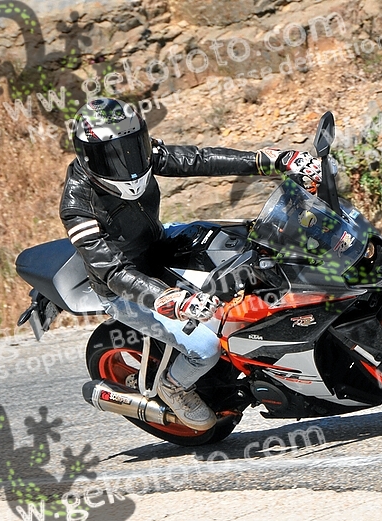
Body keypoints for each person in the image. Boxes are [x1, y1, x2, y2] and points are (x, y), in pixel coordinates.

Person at [59, 98, 321, 431]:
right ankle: (174, 387)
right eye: (113, 155)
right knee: (206, 348)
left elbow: (200, 159)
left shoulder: (142, 157)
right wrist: (166, 298)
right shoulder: (77, 206)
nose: (127, 160)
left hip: (160, 244)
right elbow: (112, 271)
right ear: (88, 157)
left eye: (132, 147)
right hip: (124, 288)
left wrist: (271, 160)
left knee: (253, 243)